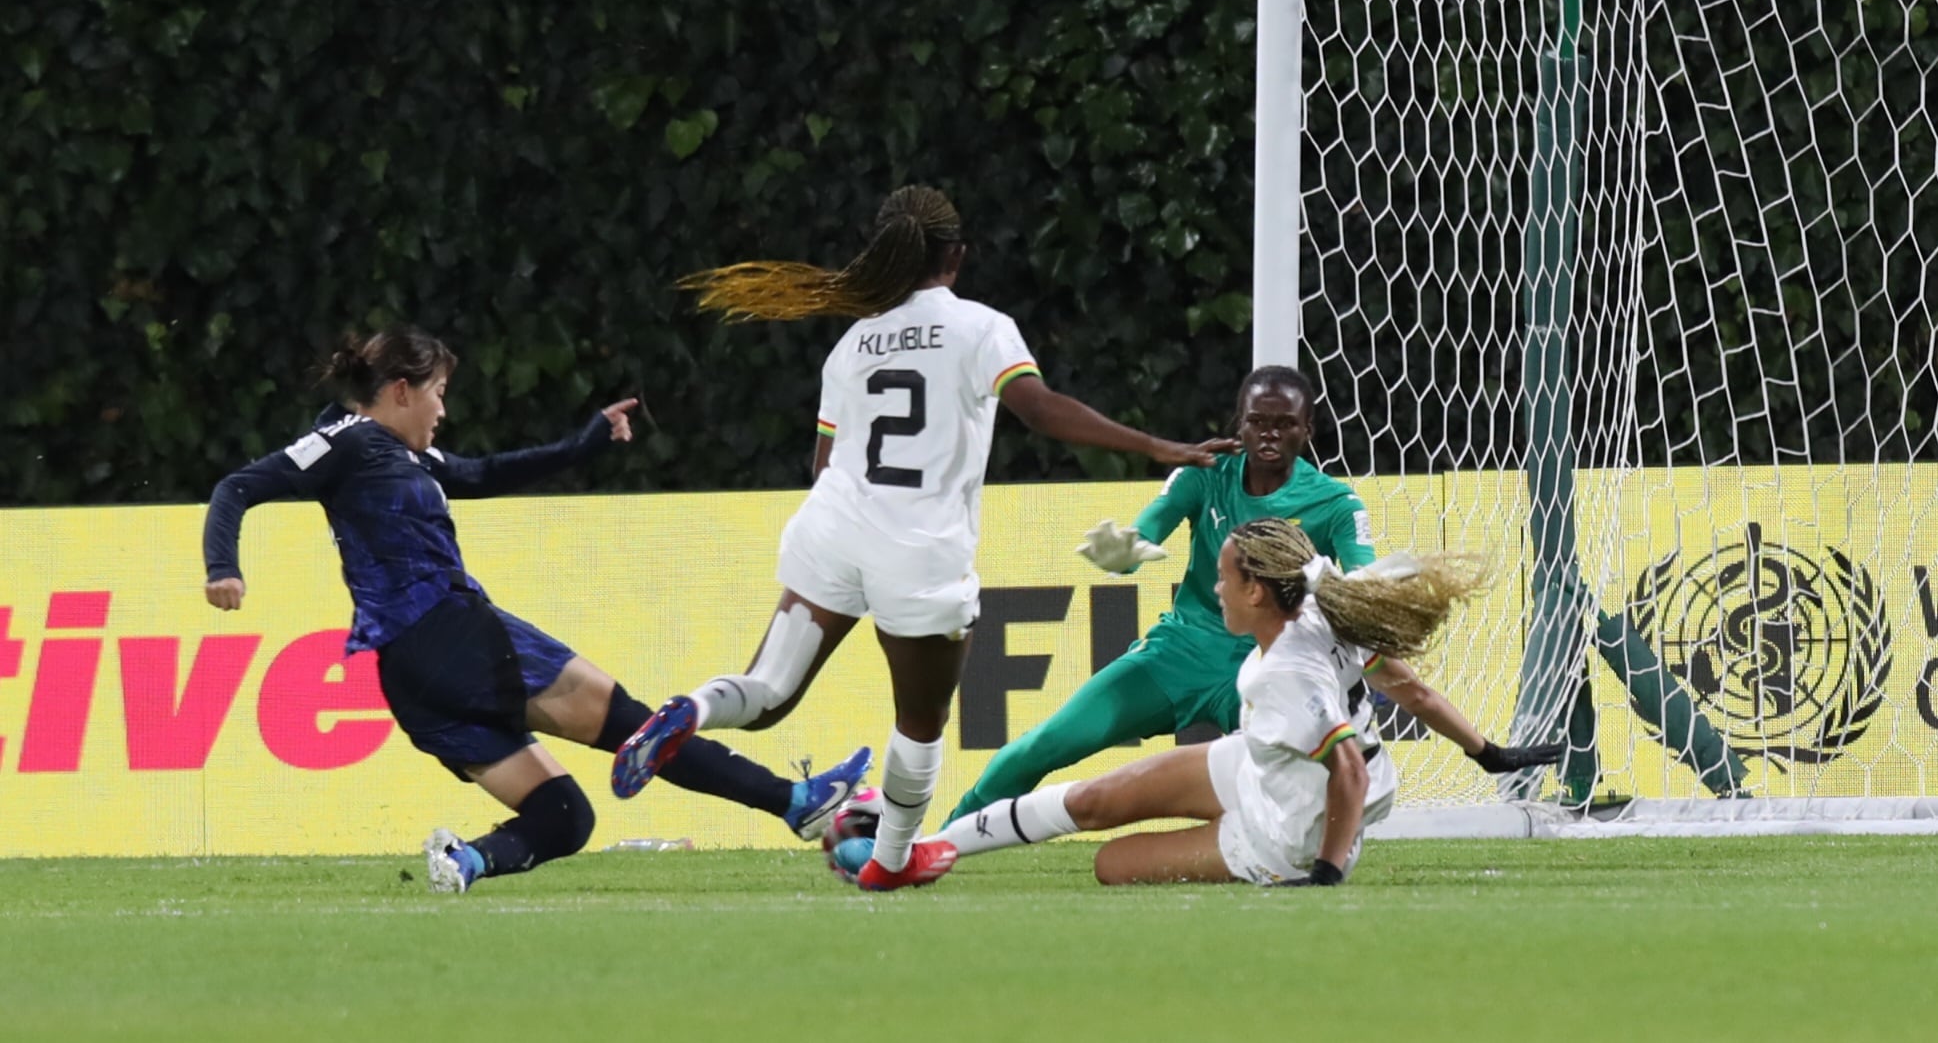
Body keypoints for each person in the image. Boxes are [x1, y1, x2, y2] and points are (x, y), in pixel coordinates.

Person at [610, 185, 1237, 891]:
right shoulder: (980, 327)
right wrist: (1156, 445)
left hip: (831, 527)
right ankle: (892, 860)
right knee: (921, 719)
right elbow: (1039, 409)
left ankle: (691, 708)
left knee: (768, 692)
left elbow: (824, 465)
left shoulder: (851, 345)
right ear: (957, 256)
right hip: (917, 550)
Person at [201, 327, 871, 893]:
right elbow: (238, 486)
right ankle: (796, 803)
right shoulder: (345, 440)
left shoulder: (409, 455)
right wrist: (222, 568)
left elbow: (484, 474)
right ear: (401, 391)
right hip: (450, 633)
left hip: (414, 679)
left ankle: (465, 859)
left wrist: (583, 444)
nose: (442, 410)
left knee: (563, 817)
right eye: (437, 394)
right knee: (635, 725)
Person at [948, 366, 1549, 823]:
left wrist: (1377, 587)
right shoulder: (1203, 473)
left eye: (1285, 424)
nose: (1269, 435)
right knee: (1048, 744)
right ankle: (943, 837)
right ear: (1239, 424)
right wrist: (1127, 552)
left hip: (1269, 668)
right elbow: (1145, 531)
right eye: (1258, 422)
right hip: (1177, 655)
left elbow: (1363, 576)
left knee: (1291, 788)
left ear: (1306, 430)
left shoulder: (1335, 503)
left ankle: (1297, 867)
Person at [887, 518, 1549, 886]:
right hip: (1269, 764)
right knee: (1091, 801)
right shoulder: (1321, 604)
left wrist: (1326, 869)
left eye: (1224, 576)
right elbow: (1414, 689)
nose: (1215, 586)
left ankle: (1292, 864)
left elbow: (1347, 771)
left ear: (1258, 591)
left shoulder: (1284, 672)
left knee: (1108, 866)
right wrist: (1485, 751)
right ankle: (927, 852)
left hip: (1289, 824)